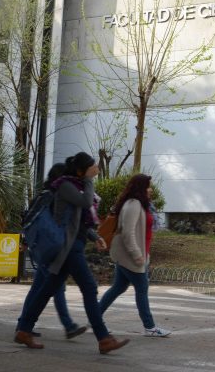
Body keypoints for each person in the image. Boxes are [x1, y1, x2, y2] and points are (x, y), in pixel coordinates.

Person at [14, 152, 129, 354]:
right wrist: (89, 180)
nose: (96, 168)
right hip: (69, 247)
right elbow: (85, 203)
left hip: (73, 245)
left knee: (48, 289)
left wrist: (94, 236)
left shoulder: (75, 185)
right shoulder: (66, 185)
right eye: (92, 165)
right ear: (81, 170)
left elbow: (79, 222)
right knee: (89, 287)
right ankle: (103, 338)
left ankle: (24, 329)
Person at [17, 163, 87, 340]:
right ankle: (68, 325)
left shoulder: (47, 194)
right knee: (56, 286)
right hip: (50, 248)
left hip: (48, 247)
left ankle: (23, 325)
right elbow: (37, 221)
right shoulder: (51, 196)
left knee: (39, 288)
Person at [99, 174, 171, 337]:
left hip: (133, 254)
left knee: (118, 287)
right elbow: (128, 233)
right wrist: (137, 255)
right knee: (142, 289)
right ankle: (150, 327)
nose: (151, 189)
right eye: (148, 186)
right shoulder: (133, 204)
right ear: (141, 188)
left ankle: (94, 317)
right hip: (130, 256)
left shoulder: (140, 204)